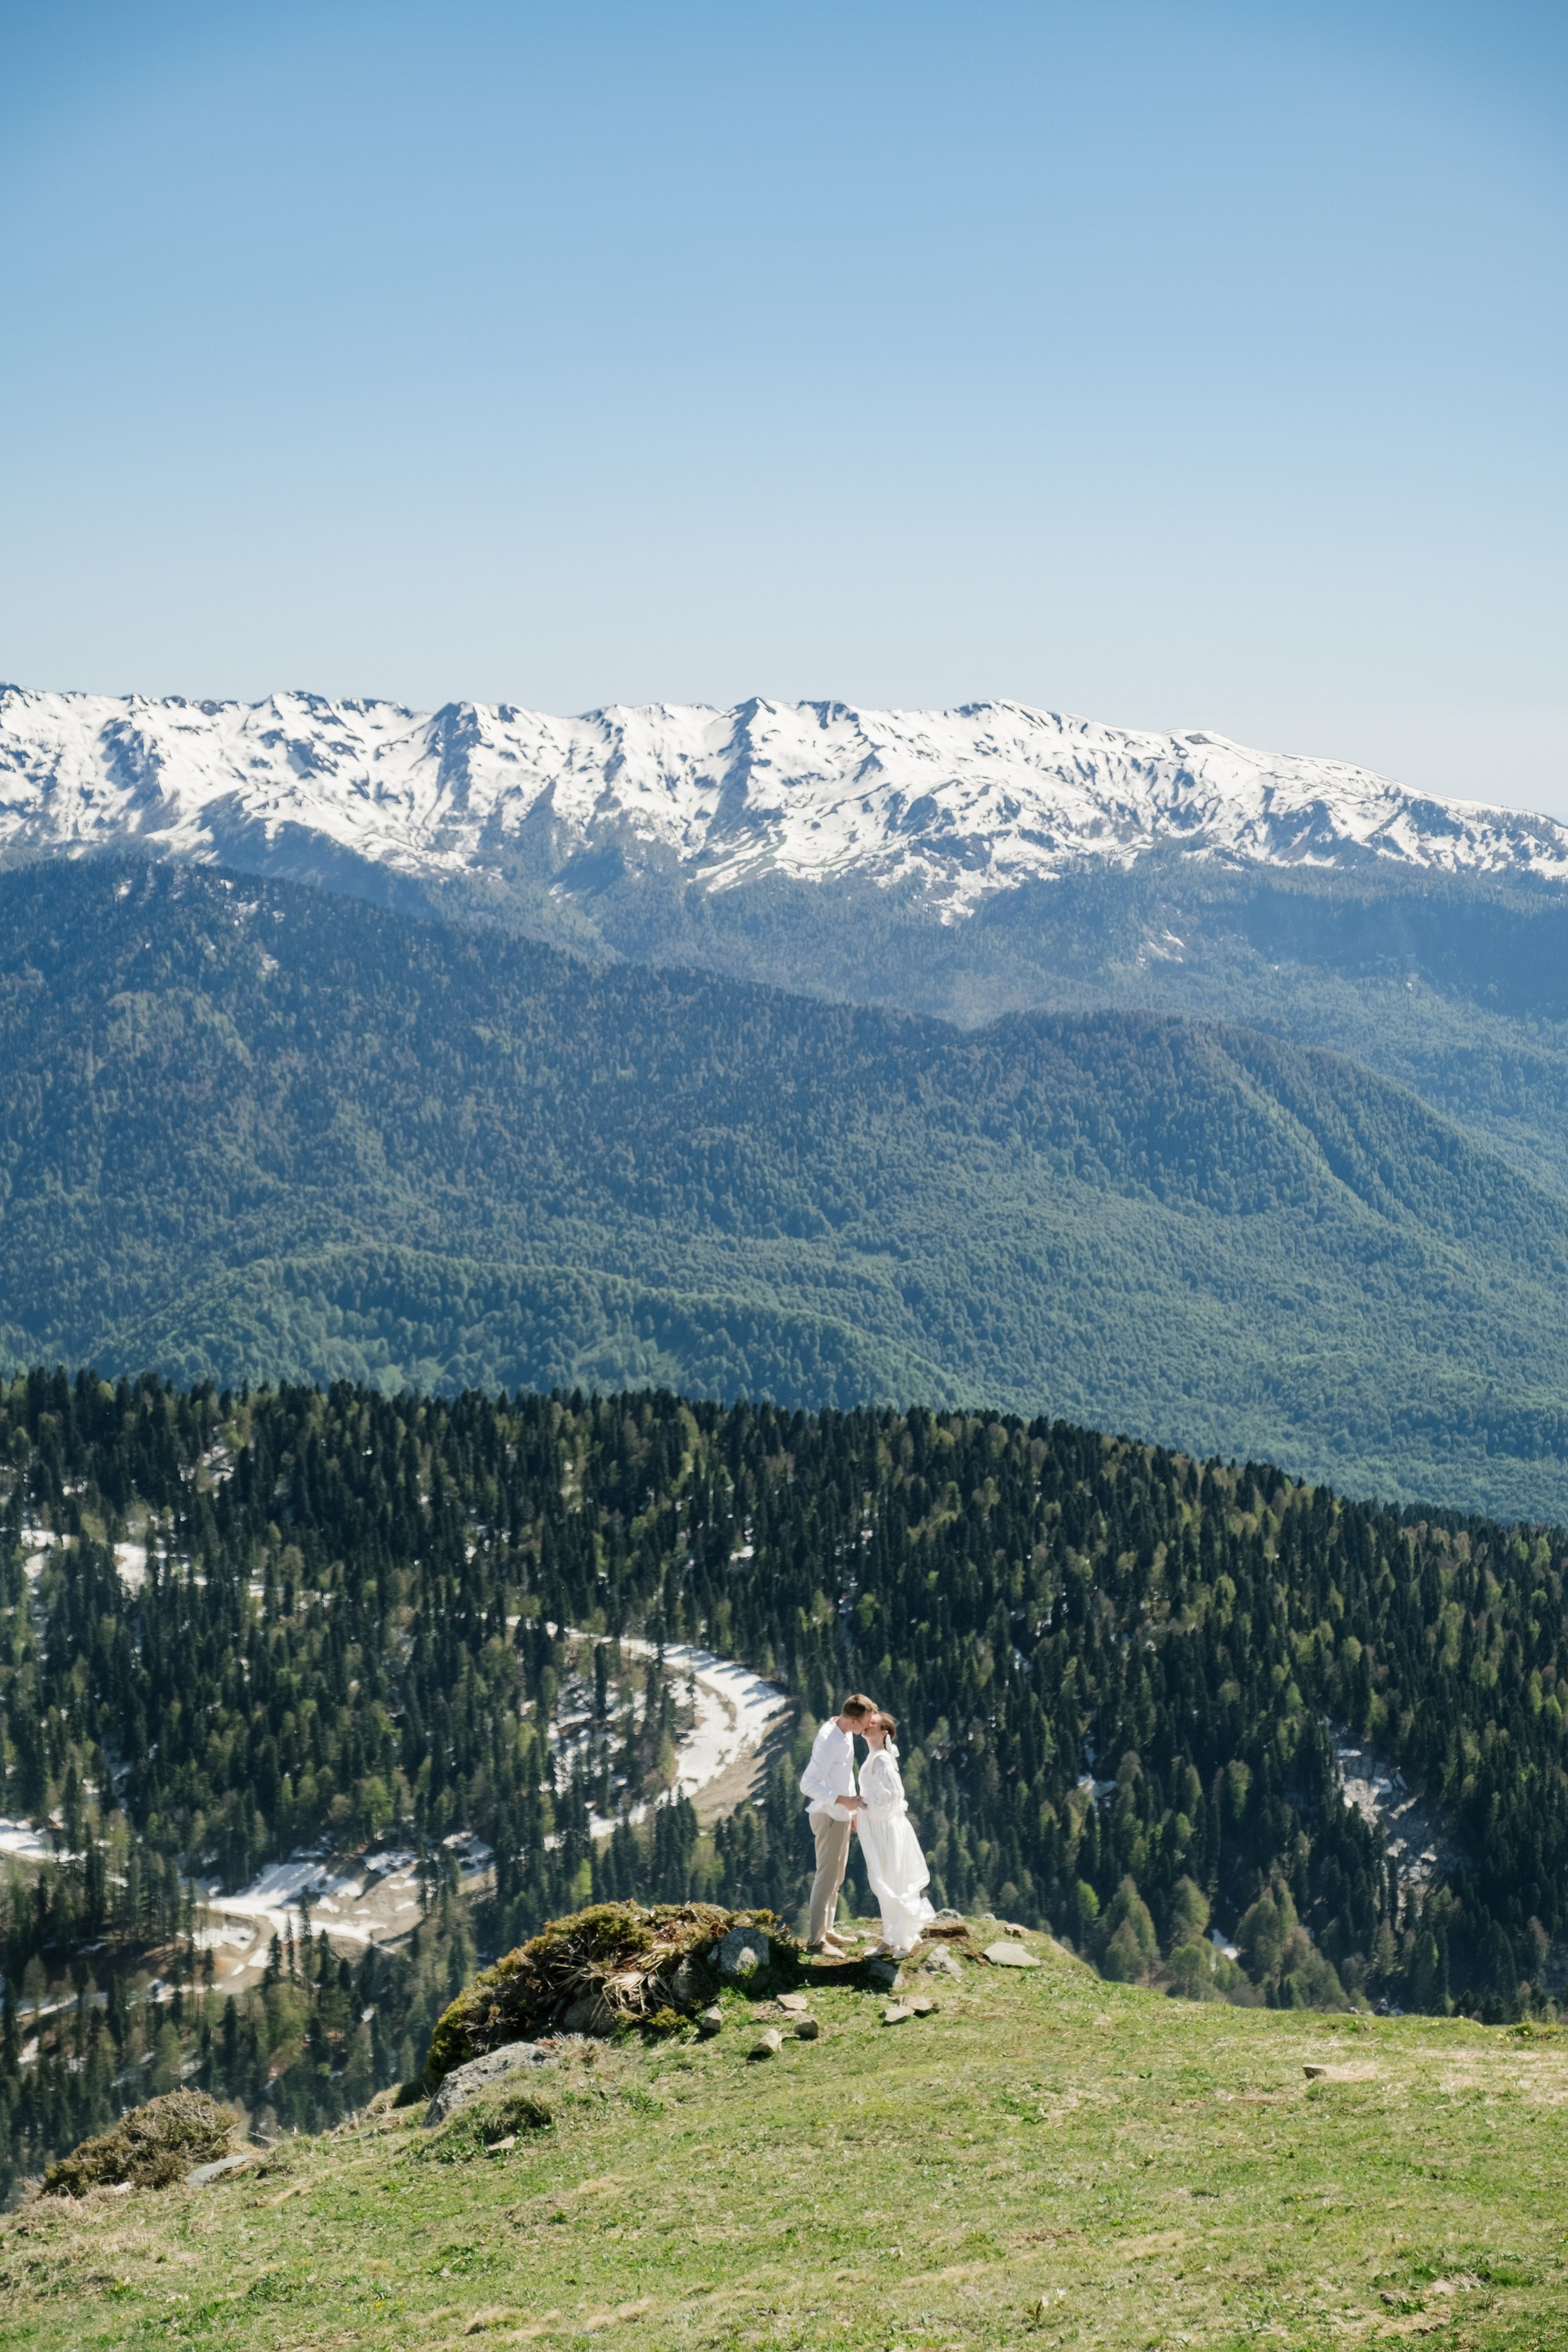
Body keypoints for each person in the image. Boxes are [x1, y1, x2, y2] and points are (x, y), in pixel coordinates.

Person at [799, 1692, 876, 1951]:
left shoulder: (844, 1732)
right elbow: (807, 1784)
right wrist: (842, 1801)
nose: (869, 1727)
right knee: (826, 1876)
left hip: (841, 1816)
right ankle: (816, 1941)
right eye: (865, 1723)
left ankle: (828, 1930)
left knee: (837, 1876)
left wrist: (852, 1812)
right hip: (828, 1816)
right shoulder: (829, 1741)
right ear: (854, 1721)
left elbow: (845, 1774)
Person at [854, 1710, 935, 1955]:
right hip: (880, 1827)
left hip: (886, 1829)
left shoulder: (882, 1760)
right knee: (886, 1880)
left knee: (892, 1880)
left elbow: (894, 1796)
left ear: (884, 1732)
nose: (867, 1726)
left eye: (873, 1723)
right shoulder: (875, 1757)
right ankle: (892, 1937)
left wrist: (863, 1805)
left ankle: (900, 1939)